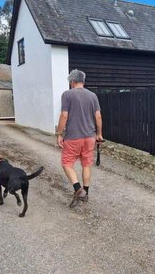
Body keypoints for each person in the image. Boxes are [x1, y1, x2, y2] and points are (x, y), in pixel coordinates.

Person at [56, 69, 103, 208]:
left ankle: (78, 189)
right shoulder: (93, 95)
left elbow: (64, 116)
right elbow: (98, 116)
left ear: (72, 81)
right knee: (86, 164)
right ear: (83, 81)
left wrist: (59, 134)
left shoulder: (67, 95)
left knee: (67, 163)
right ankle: (85, 193)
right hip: (90, 137)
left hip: (73, 137)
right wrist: (99, 134)